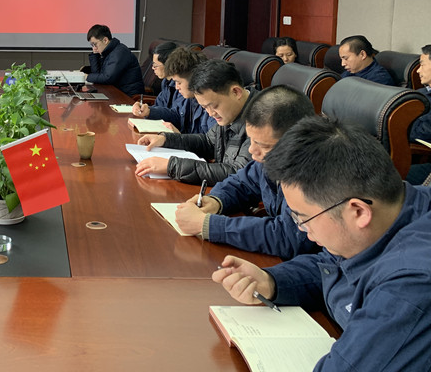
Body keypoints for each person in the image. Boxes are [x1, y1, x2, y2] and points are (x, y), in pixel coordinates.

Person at [213, 116, 431, 371]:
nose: (301, 229)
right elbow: (331, 264)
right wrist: (271, 282)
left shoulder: (410, 284)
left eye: (303, 218)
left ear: (358, 212)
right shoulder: (391, 208)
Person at [174, 85, 319, 259]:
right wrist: (216, 201)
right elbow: (242, 183)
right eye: (251, 140)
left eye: (263, 145)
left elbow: (289, 237)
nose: (251, 150)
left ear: (296, 140)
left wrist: (209, 225)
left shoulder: (316, 173)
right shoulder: (271, 157)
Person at [135, 59, 253, 185]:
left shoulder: (261, 119)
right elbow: (208, 142)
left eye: (214, 106)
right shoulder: (230, 111)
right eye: (204, 108)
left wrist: (172, 166)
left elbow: (237, 173)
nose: (210, 113)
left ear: (236, 92)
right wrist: (166, 139)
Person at [84, 24, 144, 97]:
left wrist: (87, 77)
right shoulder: (108, 52)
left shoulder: (119, 53)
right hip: (117, 92)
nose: (94, 48)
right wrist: (95, 54)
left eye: (95, 44)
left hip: (128, 96)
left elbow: (107, 78)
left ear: (105, 40)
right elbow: (98, 73)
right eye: (92, 45)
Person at [131, 42, 180, 127]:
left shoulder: (182, 86)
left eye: (155, 65)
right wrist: (144, 108)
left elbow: (177, 117)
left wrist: (150, 111)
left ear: (168, 65)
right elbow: (159, 105)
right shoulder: (166, 82)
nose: (153, 68)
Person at [407, 44, 431, 185]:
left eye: (422, 65)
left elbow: (424, 134)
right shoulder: (420, 93)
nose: (418, 71)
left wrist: (396, 130)